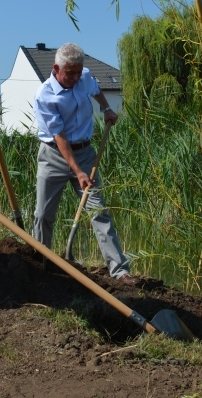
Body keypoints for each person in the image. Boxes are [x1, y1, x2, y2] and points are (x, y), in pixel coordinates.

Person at [32, 43, 138, 285]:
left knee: (99, 212)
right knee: (43, 215)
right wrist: (77, 172)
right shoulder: (45, 95)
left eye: (78, 72)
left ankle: (120, 271)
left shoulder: (84, 76)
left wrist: (107, 107)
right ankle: (41, 266)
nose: (75, 77)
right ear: (56, 68)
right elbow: (59, 138)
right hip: (54, 157)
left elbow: (95, 88)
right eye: (70, 73)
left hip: (86, 153)